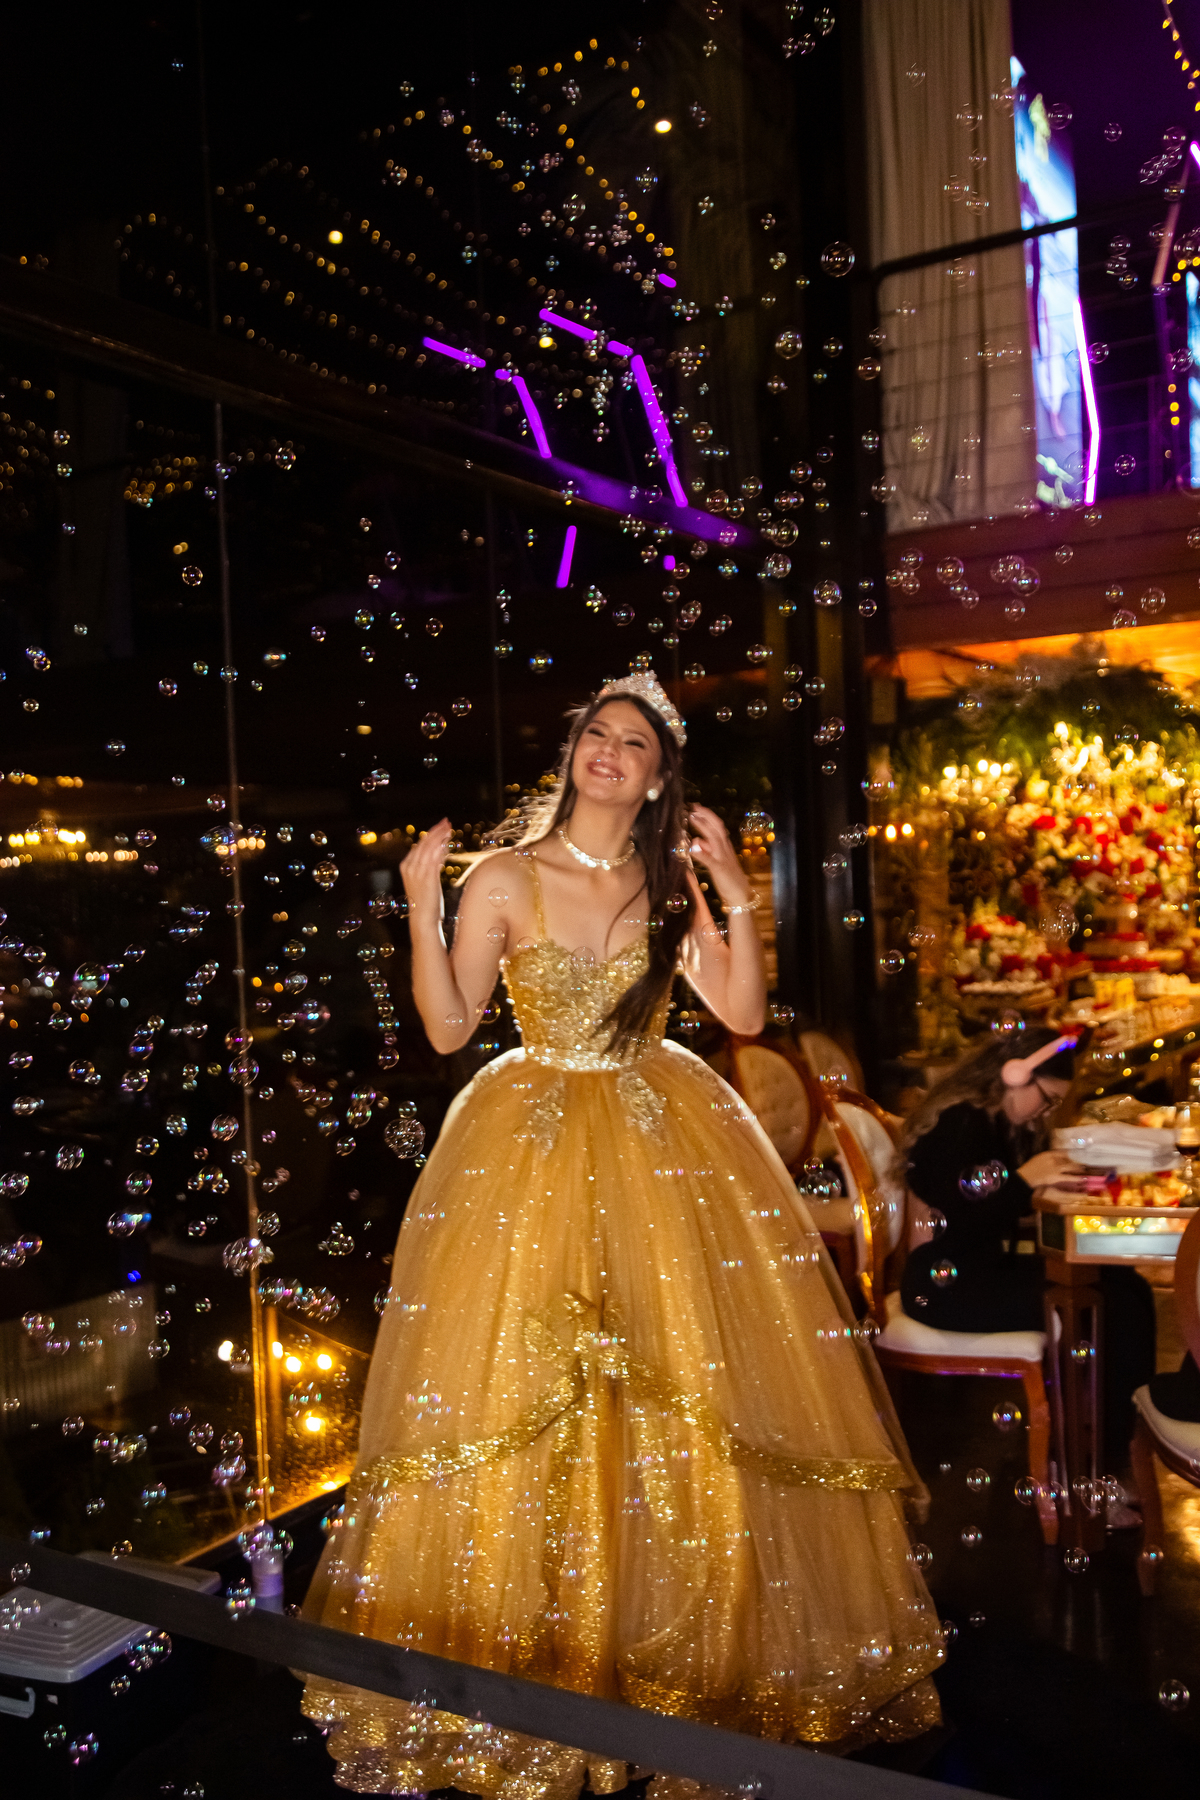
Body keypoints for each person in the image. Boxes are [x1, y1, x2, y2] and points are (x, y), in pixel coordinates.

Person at [300, 673, 944, 1797]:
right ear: (574, 755)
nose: (608, 750)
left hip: (661, 1135)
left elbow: (743, 1015)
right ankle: (541, 1670)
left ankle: (683, 1658)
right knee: (525, 1389)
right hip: (531, 1147)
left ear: (656, 778)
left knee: (684, 1382)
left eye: (632, 742)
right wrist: (419, 904)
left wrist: (734, 893)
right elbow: (447, 1027)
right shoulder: (504, 875)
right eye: (595, 733)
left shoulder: (665, 880)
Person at [898, 1027, 1157, 1500]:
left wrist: (1049, 1180)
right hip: (944, 1287)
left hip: (976, 1273)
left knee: (1129, 1285)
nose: (1046, 1111)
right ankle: (1096, 1467)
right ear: (1017, 1076)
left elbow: (993, 1204)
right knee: (1116, 1307)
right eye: (1047, 1099)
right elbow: (957, 1222)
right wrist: (1024, 1181)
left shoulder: (995, 1121)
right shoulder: (960, 1123)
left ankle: (1110, 1450)